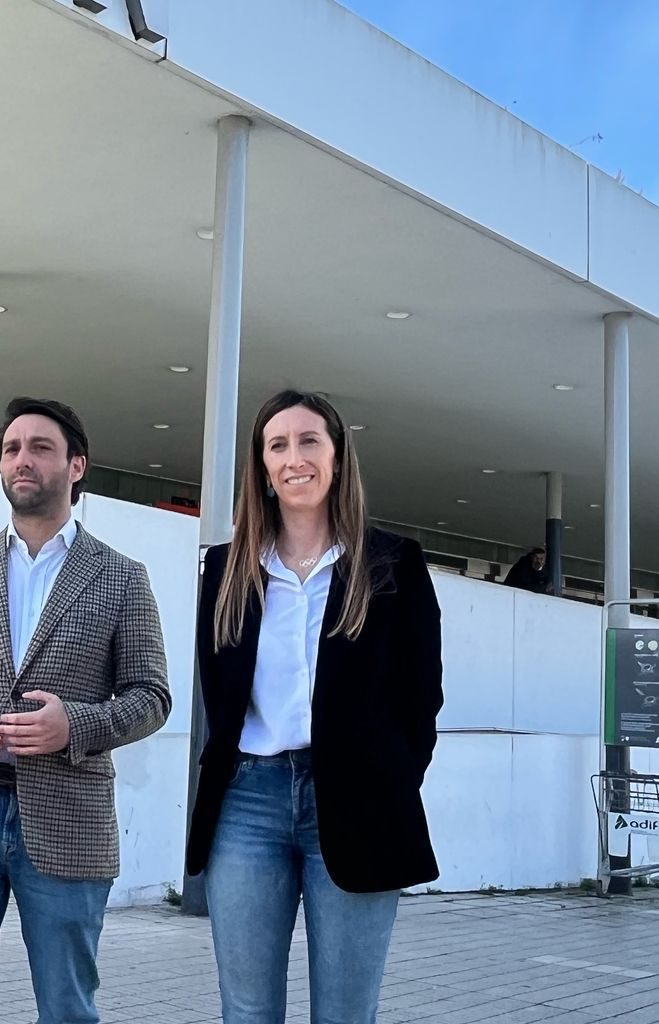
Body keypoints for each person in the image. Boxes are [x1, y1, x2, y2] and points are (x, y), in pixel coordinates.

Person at [0, 396, 171, 1024]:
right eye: (11, 448)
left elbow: (151, 696)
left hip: (68, 819)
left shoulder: (122, 577)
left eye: (40, 447)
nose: (23, 459)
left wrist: (76, 723)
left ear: (77, 466)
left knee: (68, 1009)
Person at [187, 389, 444, 1024]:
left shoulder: (392, 563)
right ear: (262, 467)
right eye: (278, 445)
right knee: (247, 1011)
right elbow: (217, 692)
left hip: (359, 801)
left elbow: (421, 696)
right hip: (247, 803)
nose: (294, 457)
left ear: (337, 456)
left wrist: (388, 780)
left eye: (309, 441)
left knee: (346, 1013)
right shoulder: (224, 571)